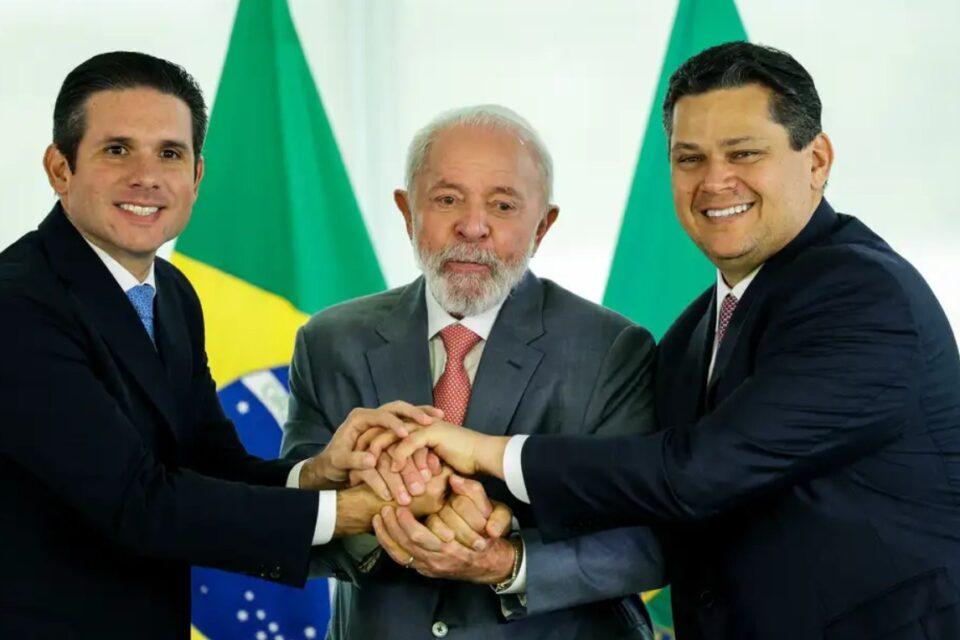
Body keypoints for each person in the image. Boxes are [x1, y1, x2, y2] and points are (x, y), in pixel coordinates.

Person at [390, 43, 960, 639]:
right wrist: (458, 503)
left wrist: (484, 452)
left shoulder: (863, 294)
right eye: (690, 158)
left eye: (744, 153)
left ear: (816, 160)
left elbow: (698, 472)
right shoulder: (692, 332)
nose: (715, 181)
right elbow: (641, 492)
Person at [0, 51, 444, 638]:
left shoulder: (171, 293)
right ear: (60, 169)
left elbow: (210, 463)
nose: (147, 176)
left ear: (197, 176)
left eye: (170, 153)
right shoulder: (18, 302)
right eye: (117, 150)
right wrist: (351, 511)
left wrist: (318, 474)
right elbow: (137, 502)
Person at [281, 105, 663, 640]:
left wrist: (504, 561)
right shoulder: (328, 342)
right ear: (407, 212)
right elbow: (287, 529)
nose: (473, 226)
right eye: (447, 199)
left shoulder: (612, 350)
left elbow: (645, 544)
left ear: (543, 226)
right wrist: (384, 518)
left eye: (503, 205)